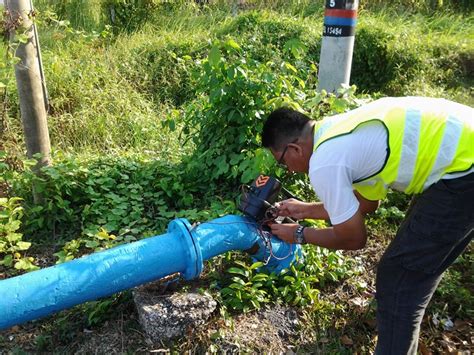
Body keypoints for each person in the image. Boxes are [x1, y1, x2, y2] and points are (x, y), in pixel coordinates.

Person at [261, 96, 473, 355]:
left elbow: (354, 239)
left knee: (399, 278)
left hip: (464, 171)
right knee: (410, 271)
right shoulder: (340, 130)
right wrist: (304, 209)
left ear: (294, 149)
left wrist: (300, 234)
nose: (289, 170)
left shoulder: (324, 162)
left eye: (282, 161)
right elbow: (365, 204)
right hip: (460, 159)